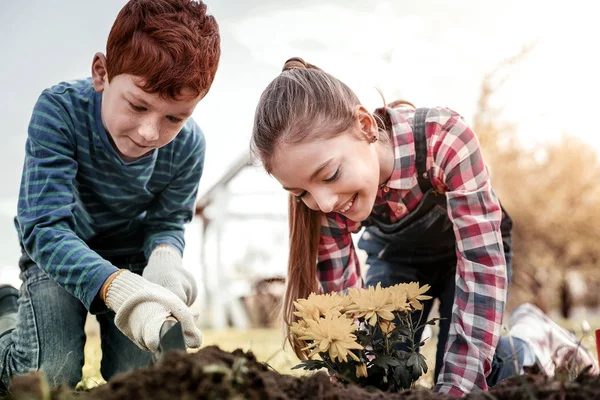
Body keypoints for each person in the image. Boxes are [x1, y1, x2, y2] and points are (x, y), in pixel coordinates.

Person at [250, 57, 597, 396]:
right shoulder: (323, 202)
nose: (323, 203)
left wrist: (458, 385)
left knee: (479, 378)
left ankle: (532, 338)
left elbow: (480, 269)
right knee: (379, 373)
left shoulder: (444, 139)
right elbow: (345, 302)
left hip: (471, 258)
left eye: (330, 175)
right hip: (396, 259)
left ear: (366, 126)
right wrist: (358, 378)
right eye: (301, 192)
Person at [0, 0, 220, 392]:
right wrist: (116, 287)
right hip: (58, 256)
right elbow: (44, 227)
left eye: (174, 117)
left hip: (131, 258)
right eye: (137, 105)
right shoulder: (59, 111)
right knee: (48, 378)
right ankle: (5, 316)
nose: (150, 133)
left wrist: (164, 261)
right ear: (102, 73)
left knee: (141, 379)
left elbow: (167, 222)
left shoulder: (188, 147)